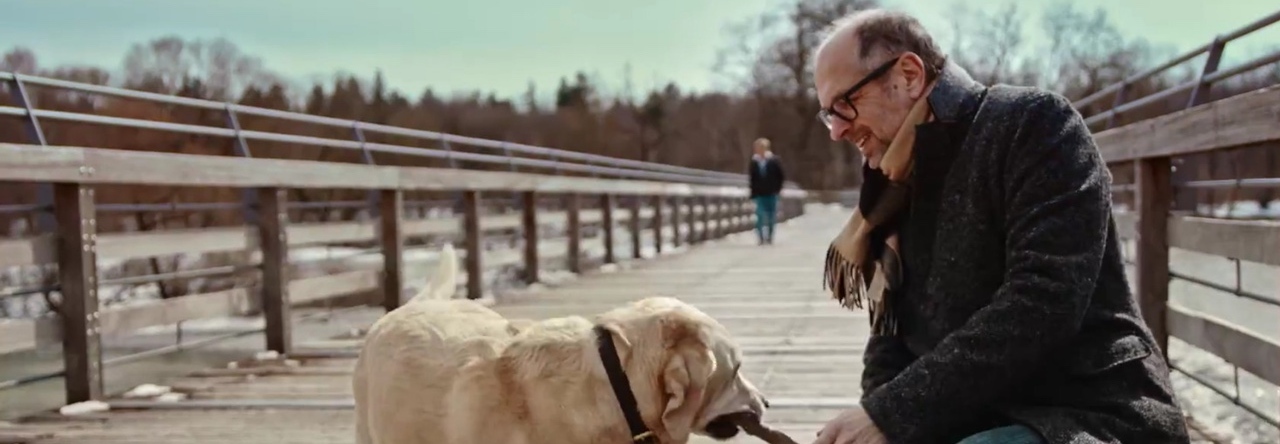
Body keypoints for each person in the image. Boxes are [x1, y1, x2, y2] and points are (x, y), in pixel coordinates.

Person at [810, 9, 1189, 444]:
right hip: (968, 416)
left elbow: (1044, 301)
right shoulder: (893, 182)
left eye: (845, 103)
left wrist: (892, 413)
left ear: (909, 75)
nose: (837, 130)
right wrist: (880, 419)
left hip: (1083, 411)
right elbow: (889, 341)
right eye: (828, 115)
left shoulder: (1034, 124)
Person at [747, 137, 786, 245]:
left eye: (760, 148)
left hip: (772, 193)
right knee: (760, 215)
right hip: (759, 193)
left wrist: (778, 189)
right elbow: (752, 179)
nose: (758, 150)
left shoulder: (774, 161)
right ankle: (761, 238)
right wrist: (752, 193)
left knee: (771, 216)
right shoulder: (754, 162)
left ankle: (769, 236)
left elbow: (780, 176)